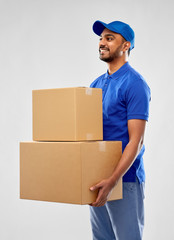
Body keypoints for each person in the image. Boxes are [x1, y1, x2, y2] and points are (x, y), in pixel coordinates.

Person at [89, 20, 151, 240]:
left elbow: (137, 140)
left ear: (126, 46)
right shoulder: (95, 84)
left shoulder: (135, 84)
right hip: (97, 180)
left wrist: (113, 181)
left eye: (109, 38)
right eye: (100, 38)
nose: (102, 43)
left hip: (125, 180)